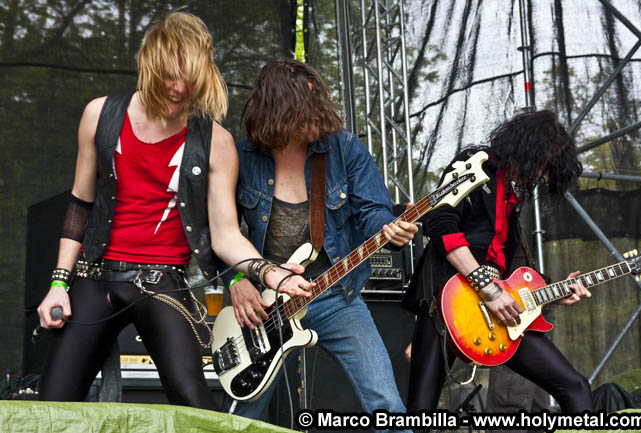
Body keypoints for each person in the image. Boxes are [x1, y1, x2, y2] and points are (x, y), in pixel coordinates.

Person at [36, 11, 310, 410]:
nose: (179, 88)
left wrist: (270, 272)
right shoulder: (99, 115)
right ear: (149, 66)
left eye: (190, 78)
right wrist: (59, 284)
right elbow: (80, 204)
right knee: (52, 404)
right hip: (96, 276)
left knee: (193, 400)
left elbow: (225, 235)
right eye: (168, 76)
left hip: (163, 283)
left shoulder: (216, 142)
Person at [223, 58, 418, 430]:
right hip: (264, 308)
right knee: (240, 419)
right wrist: (236, 280)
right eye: (305, 103)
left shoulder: (344, 149)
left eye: (319, 101)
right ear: (278, 106)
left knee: (387, 406)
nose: (318, 111)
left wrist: (390, 230)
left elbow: (373, 211)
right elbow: (221, 232)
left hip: (335, 296)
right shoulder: (240, 156)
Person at [403, 110, 593, 428]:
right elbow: (439, 220)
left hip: (494, 315)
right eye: (540, 163)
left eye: (546, 169)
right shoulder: (474, 164)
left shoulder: (512, 196)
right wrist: (488, 289)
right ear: (525, 147)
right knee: (421, 413)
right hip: (446, 303)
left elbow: (511, 271)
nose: (540, 174)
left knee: (575, 387)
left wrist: (555, 292)